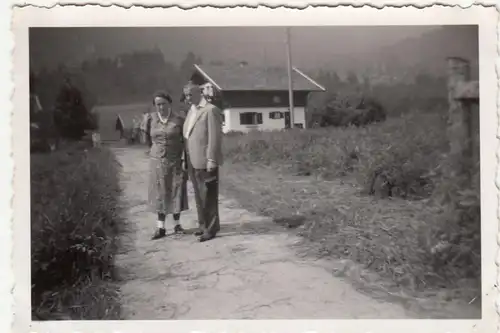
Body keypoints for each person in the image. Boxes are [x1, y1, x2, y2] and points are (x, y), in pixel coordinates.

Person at [182, 83, 224, 242]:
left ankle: (211, 228)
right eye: (185, 95)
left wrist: (212, 159)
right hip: (192, 160)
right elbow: (188, 135)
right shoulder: (191, 111)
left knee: (209, 195)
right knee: (199, 196)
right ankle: (203, 225)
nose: (187, 98)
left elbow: (215, 137)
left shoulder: (210, 110)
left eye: (190, 94)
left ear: (199, 92)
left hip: (206, 161)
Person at [147, 91, 189, 240]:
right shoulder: (150, 119)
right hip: (157, 161)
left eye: (163, 103)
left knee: (176, 190)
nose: (161, 107)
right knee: (160, 192)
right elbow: (147, 138)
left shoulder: (179, 119)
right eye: (158, 104)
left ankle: (177, 224)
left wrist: (185, 160)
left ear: (169, 104)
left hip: (175, 160)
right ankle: (161, 227)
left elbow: (185, 141)